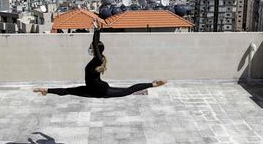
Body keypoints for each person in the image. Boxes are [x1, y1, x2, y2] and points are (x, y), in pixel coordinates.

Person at [33, 19, 166, 98]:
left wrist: (97, 29)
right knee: (68, 91)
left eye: (92, 47)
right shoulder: (97, 60)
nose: (90, 49)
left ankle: (153, 84)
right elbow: (96, 45)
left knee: (127, 91)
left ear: (96, 50)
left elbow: (96, 43)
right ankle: (46, 90)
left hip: (101, 90)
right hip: (91, 90)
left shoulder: (98, 58)